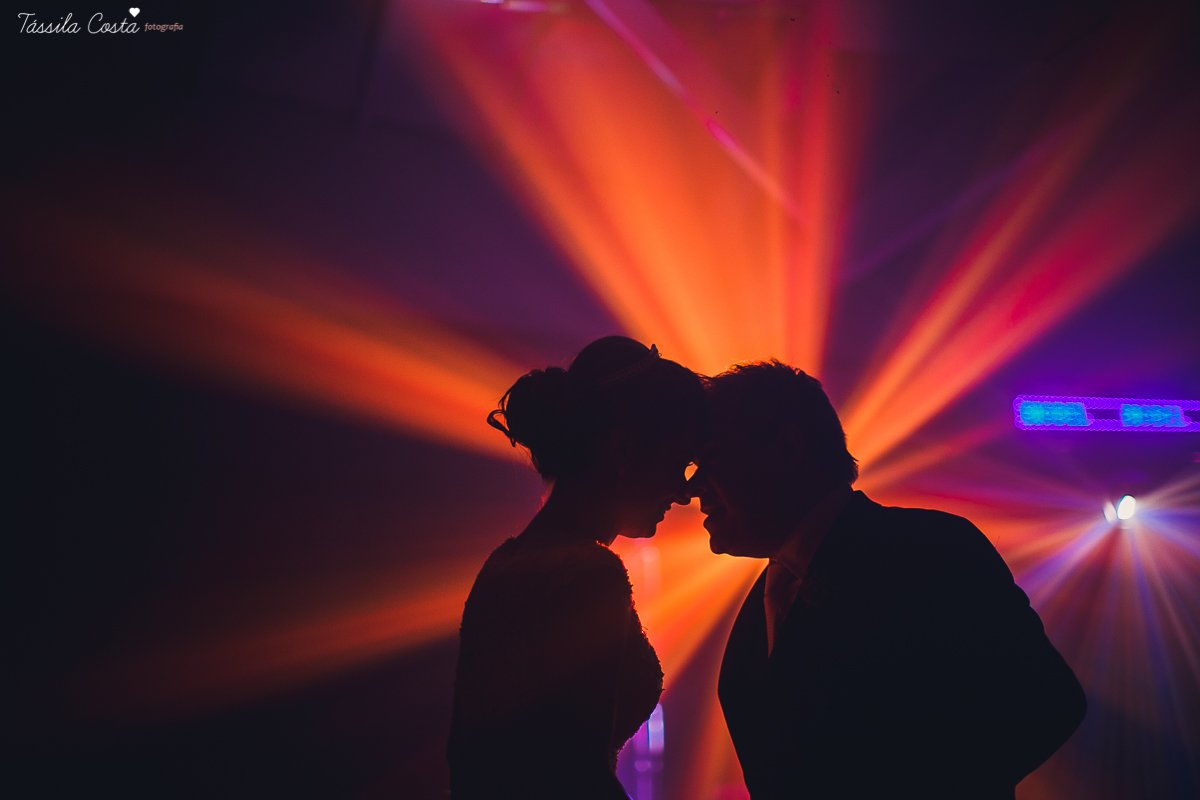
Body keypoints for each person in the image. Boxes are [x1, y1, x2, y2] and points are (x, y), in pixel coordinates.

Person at [687, 360, 1086, 800]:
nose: (692, 487)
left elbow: (1048, 704)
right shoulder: (758, 610)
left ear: (786, 448)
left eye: (712, 460)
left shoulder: (933, 551)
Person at [448, 336, 705, 799]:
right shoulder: (589, 574)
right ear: (622, 448)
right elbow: (578, 778)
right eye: (678, 463)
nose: (684, 492)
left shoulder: (504, 564)